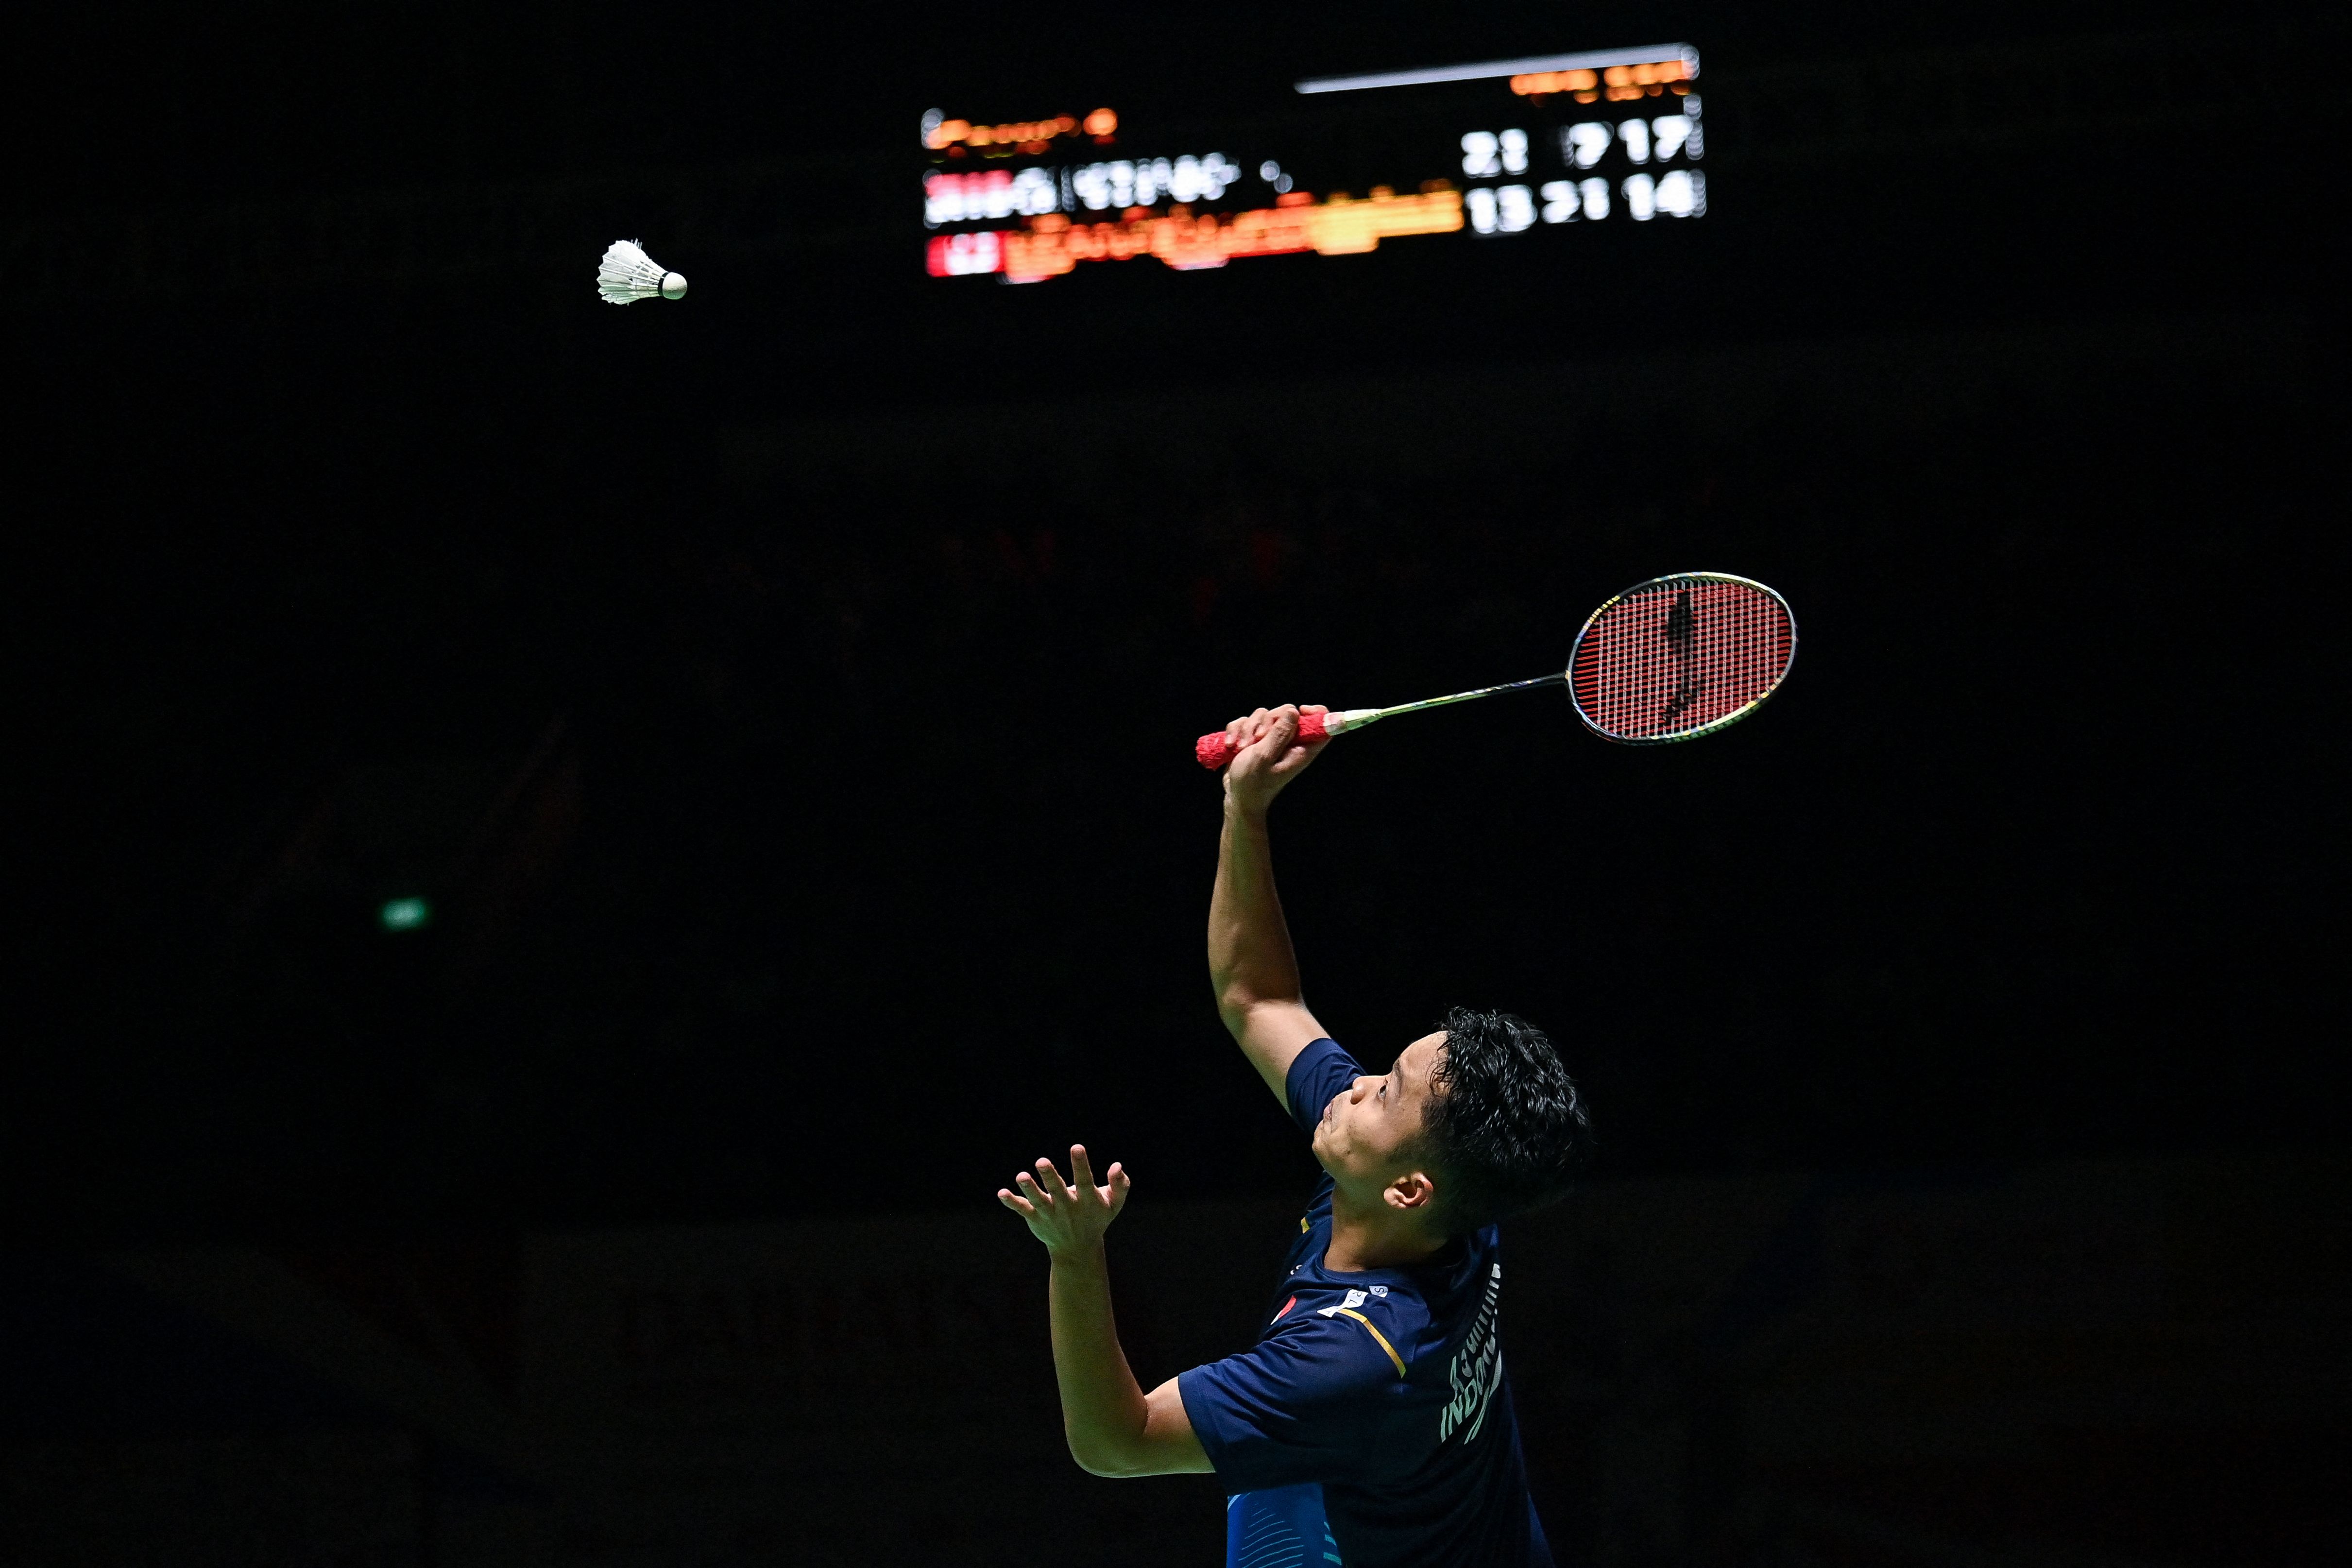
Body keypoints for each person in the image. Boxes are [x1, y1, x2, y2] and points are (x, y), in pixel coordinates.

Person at [997, 703, 1594, 1568]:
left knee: (1258, 1466)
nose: (1351, 1086)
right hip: (1465, 1534)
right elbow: (1259, 999)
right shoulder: (1444, 1195)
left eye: (1384, 1091)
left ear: (1407, 1189)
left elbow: (1115, 1443)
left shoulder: (1352, 1363)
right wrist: (1247, 811)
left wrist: (1074, 1254)